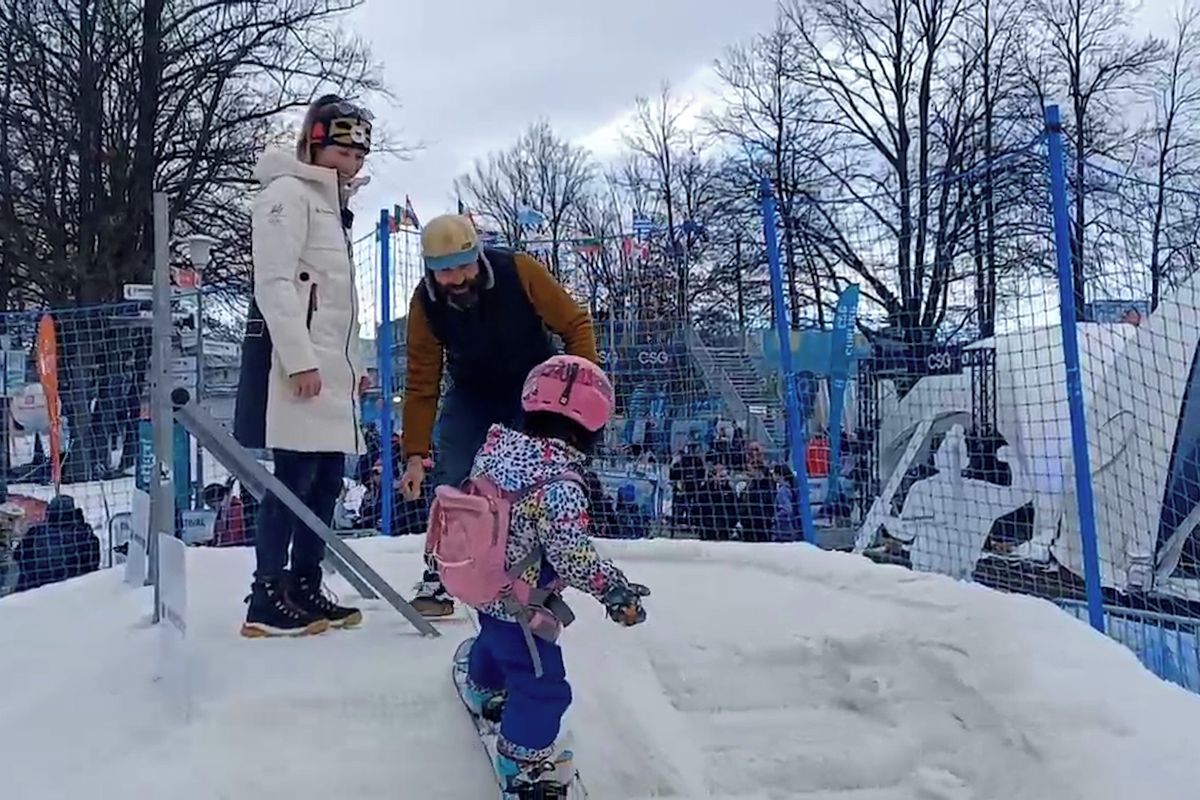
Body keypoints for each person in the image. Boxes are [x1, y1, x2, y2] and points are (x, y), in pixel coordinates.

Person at [445, 355, 649, 795]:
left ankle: (483, 685)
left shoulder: (497, 447)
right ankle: (522, 763)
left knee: (496, 639)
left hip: (480, 579)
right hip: (519, 599)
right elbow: (572, 554)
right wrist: (612, 588)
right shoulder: (560, 484)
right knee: (543, 686)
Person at [399, 213, 599, 616]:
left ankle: (536, 575)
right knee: (454, 477)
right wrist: (415, 453)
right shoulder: (425, 303)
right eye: (443, 271)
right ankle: (441, 576)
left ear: (478, 256)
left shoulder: (518, 270)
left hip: (534, 386)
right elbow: (422, 379)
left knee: (532, 481)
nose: (455, 278)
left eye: (462, 266)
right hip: (472, 390)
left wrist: (579, 387)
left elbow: (575, 323)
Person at [233, 93, 373, 637]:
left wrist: (353, 364)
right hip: (299, 371)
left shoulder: (333, 209)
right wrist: (297, 360)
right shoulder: (288, 195)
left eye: (360, 155)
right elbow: (275, 283)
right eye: (344, 151)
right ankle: (266, 592)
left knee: (325, 482)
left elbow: (340, 302)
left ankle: (304, 583)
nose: (354, 163)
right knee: (292, 480)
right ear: (316, 143)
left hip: (329, 372)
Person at [13, 495, 99, 593]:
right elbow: (93, 563)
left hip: (37, 590)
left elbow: (18, 557)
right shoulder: (84, 533)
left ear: (49, 511)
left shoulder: (36, 533)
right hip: (75, 590)